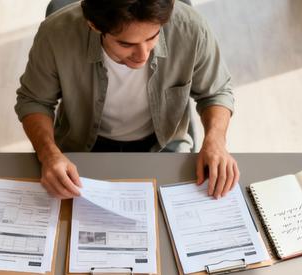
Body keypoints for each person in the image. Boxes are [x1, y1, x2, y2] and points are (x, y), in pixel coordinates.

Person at [15, 0, 238, 199]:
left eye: (153, 37)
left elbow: (216, 92)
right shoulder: (55, 35)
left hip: (164, 146)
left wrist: (216, 140)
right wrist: (49, 154)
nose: (142, 55)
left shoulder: (191, 28)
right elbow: (34, 101)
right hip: (80, 148)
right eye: (126, 44)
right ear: (93, 25)